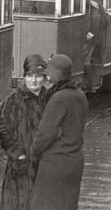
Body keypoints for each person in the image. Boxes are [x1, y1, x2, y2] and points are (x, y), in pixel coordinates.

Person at [31, 54, 88, 210]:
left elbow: (45, 134)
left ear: (54, 74)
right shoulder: (79, 95)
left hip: (55, 164)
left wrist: (34, 153)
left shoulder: (59, 99)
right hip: (74, 161)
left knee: (46, 205)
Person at [0, 54, 48, 210]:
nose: (34, 80)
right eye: (30, 76)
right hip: (19, 166)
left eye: (38, 76)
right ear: (24, 77)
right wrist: (18, 153)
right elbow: (3, 128)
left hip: (43, 165)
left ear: (44, 78)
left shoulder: (50, 100)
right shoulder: (14, 100)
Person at [83, 0, 109, 92]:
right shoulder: (97, 3)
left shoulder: (94, 5)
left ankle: (89, 85)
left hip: (93, 38)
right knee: (87, 59)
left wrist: (91, 33)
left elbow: (96, 18)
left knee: (86, 60)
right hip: (98, 38)